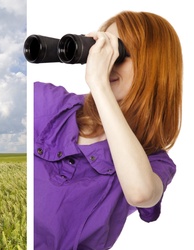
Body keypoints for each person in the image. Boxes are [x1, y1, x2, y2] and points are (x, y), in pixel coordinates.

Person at [34, 11, 183, 249]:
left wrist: (100, 85)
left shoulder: (154, 162)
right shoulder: (46, 103)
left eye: (119, 53)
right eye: (103, 49)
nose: (107, 61)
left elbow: (141, 194)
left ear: (154, 66)